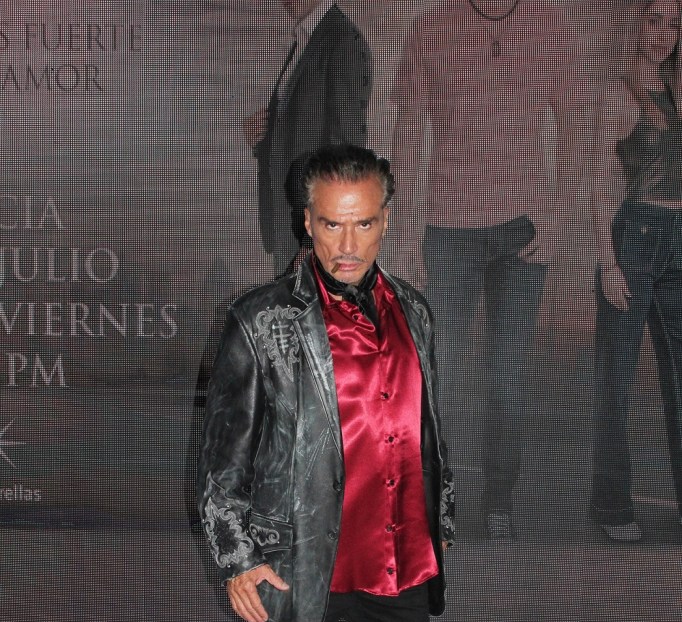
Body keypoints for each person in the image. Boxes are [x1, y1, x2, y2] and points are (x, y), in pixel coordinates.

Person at [198, 145, 504, 622]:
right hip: (296, 556)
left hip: (395, 554)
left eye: (363, 223)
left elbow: (427, 429)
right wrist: (236, 557)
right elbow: (222, 458)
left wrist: (437, 521)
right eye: (331, 224)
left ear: (385, 221)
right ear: (306, 221)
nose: (346, 243)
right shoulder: (261, 320)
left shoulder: (415, 310)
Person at [390, 0, 579, 540]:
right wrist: (403, 229)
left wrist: (553, 218)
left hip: (523, 233)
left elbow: (573, 130)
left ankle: (499, 503)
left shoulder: (549, 24)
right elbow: (407, 133)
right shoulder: (432, 26)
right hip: (449, 230)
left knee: (506, 376)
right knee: (441, 372)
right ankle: (438, 500)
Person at [590, 0, 682, 540]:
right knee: (616, 383)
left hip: (678, 237)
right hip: (633, 234)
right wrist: (608, 259)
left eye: (674, 23)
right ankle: (611, 507)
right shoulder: (617, 90)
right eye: (654, 19)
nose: (663, 32)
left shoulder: (676, 87)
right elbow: (601, 178)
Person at [243, 1, 372, 276]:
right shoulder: (306, 39)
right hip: (290, 228)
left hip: (314, 241)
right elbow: (299, 136)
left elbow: (346, 156)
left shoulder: (343, 41)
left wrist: (316, 239)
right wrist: (261, 142)